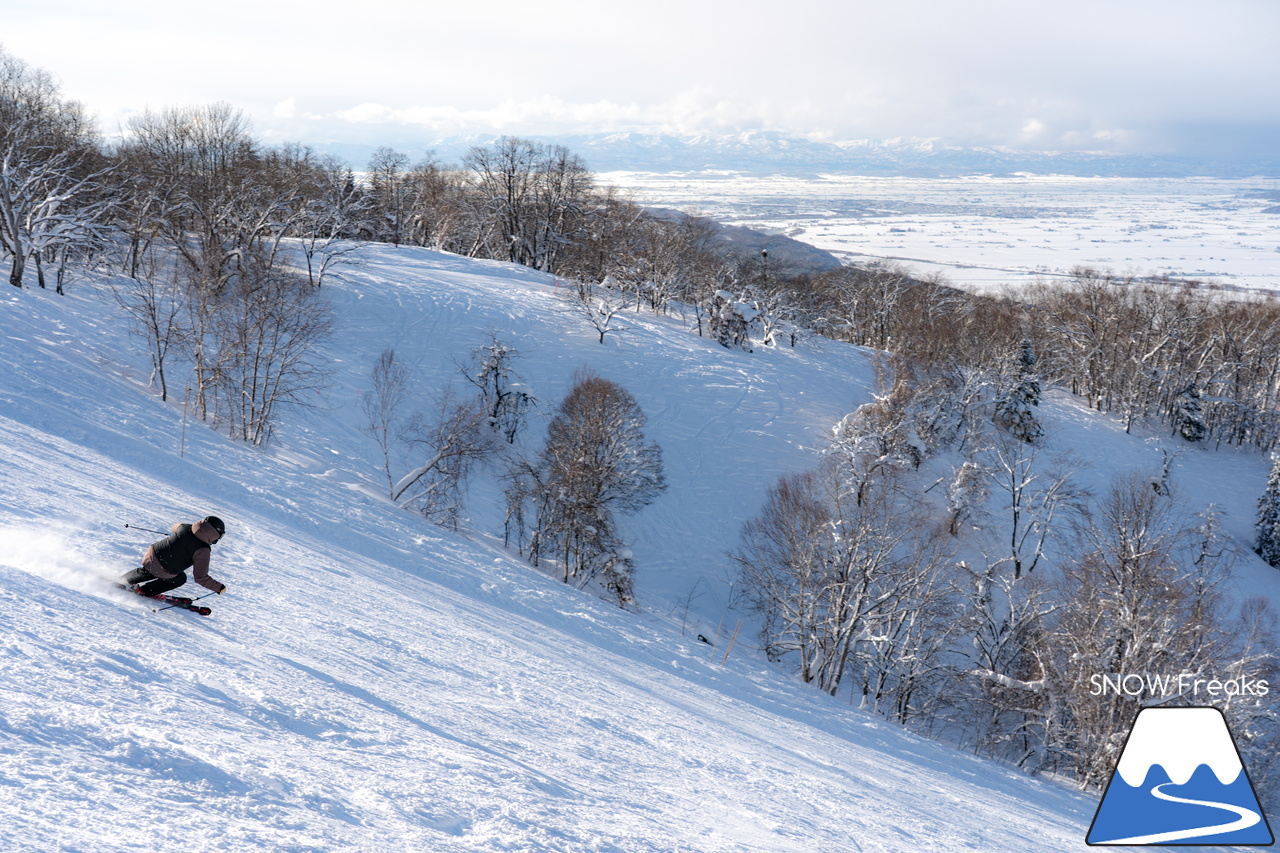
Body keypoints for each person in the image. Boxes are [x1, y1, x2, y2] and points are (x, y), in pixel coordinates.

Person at [124, 516, 228, 597]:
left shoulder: (184, 527)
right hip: (165, 569)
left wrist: (179, 536)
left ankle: (124, 580)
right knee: (179, 578)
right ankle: (144, 591)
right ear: (214, 534)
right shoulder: (203, 550)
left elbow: (174, 527)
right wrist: (219, 588)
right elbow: (200, 577)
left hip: (151, 555)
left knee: (149, 569)